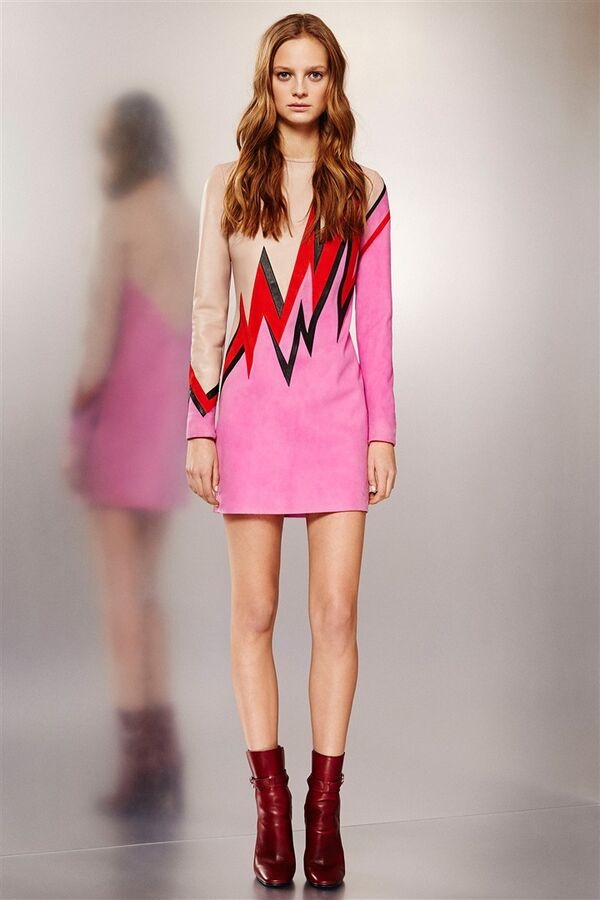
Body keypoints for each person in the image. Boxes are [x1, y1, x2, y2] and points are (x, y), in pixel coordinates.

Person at [185, 12, 397, 889]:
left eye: (314, 74)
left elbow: (375, 325)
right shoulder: (229, 183)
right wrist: (200, 428)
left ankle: (324, 812)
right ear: (266, 83)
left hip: (338, 421)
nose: (300, 89)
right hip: (250, 422)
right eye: (285, 74)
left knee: (336, 615)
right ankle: (272, 813)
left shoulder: (365, 189)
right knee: (257, 613)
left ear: (332, 83)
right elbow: (210, 312)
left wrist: (382, 431)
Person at [65, 91, 198, 816]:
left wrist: (78, 433)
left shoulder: (121, 217)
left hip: (120, 425)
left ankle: (139, 766)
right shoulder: (183, 213)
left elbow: (99, 338)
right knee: (148, 595)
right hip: (170, 426)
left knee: (120, 598)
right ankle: (165, 756)